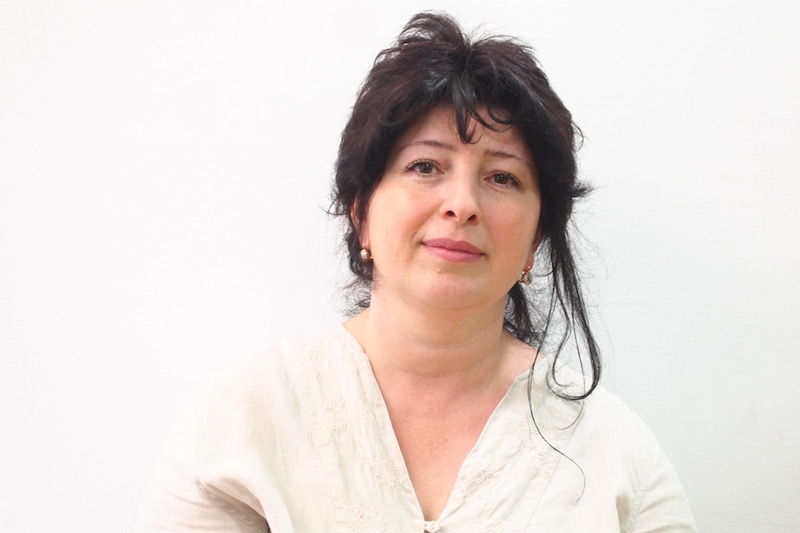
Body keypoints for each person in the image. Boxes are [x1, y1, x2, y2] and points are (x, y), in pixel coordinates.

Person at [136, 11, 696, 532]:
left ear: (536, 239)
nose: (462, 204)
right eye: (425, 166)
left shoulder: (617, 457)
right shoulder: (243, 420)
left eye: (502, 177)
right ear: (361, 212)